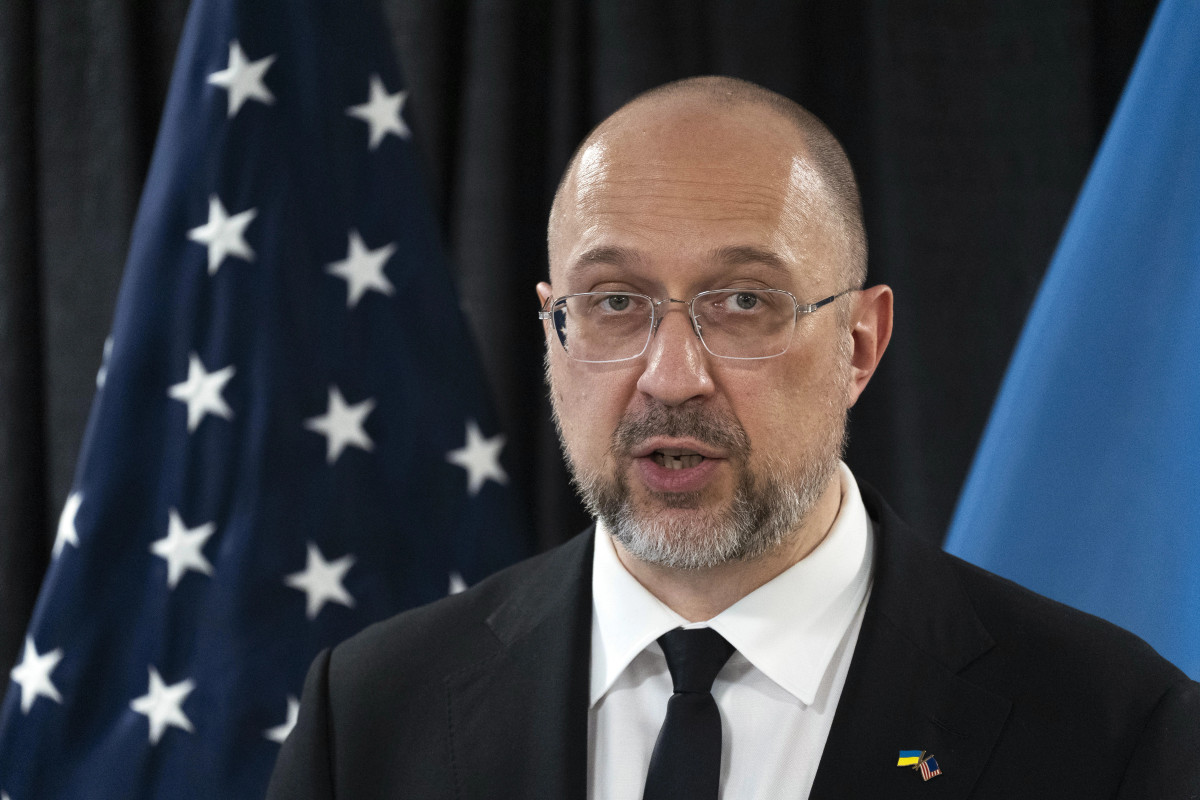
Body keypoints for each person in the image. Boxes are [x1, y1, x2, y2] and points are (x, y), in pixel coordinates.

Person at [266, 76, 1200, 799]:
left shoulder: (1112, 727)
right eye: (614, 303)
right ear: (553, 329)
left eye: (745, 301)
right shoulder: (370, 716)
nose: (671, 377)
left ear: (860, 345)